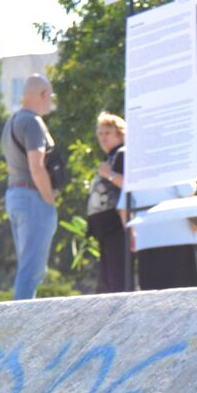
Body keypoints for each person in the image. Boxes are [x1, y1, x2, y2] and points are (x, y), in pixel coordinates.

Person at [3, 74, 58, 300]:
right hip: (33, 198)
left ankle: (20, 321)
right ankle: (21, 328)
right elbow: (37, 167)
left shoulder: (12, 121)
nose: (50, 102)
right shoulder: (33, 122)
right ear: (43, 94)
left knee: (26, 267)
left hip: (15, 195)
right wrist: (50, 201)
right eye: (50, 97)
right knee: (32, 271)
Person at [128, 181, 197, 290]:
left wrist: (131, 233)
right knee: (187, 297)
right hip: (179, 237)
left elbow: (125, 206)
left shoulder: (133, 167)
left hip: (146, 240)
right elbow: (187, 190)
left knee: (152, 299)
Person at [86, 112, 127, 294]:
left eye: (107, 133)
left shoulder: (122, 154)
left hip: (117, 225)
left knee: (118, 278)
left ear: (120, 134)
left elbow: (127, 184)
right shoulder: (110, 157)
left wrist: (108, 174)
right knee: (107, 279)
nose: (102, 137)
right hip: (105, 228)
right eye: (100, 133)